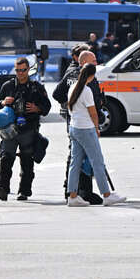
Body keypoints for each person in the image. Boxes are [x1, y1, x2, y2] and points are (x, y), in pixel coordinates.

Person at [66, 63, 126, 207]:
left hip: (74, 127)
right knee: (97, 161)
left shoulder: (72, 87)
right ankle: (106, 194)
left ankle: (72, 196)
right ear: (92, 76)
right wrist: (97, 128)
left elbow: (69, 108)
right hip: (86, 129)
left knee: (75, 163)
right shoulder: (86, 91)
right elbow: (93, 113)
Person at [0, 57, 52, 201]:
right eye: (18, 70)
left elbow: (47, 106)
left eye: (23, 70)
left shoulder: (36, 87)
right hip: (10, 130)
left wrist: (36, 108)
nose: (20, 73)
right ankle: (3, 188)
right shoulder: (8, 86)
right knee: (6, 159)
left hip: (28, 129)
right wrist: (3, 103)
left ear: (28, 70)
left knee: (27, 161)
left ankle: (24, 191)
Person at [52, 47, 105, 204]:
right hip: (86, 124)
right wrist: (97, 123)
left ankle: (71, 192)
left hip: (74, 122)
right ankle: (86, 192)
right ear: (85, 63)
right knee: (91, 158)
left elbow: (57, 94)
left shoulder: (70, 74)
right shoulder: (88, 80)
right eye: (93, 61)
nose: (96, 63)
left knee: (75, 158)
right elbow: (94, 105)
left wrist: (71, 107)